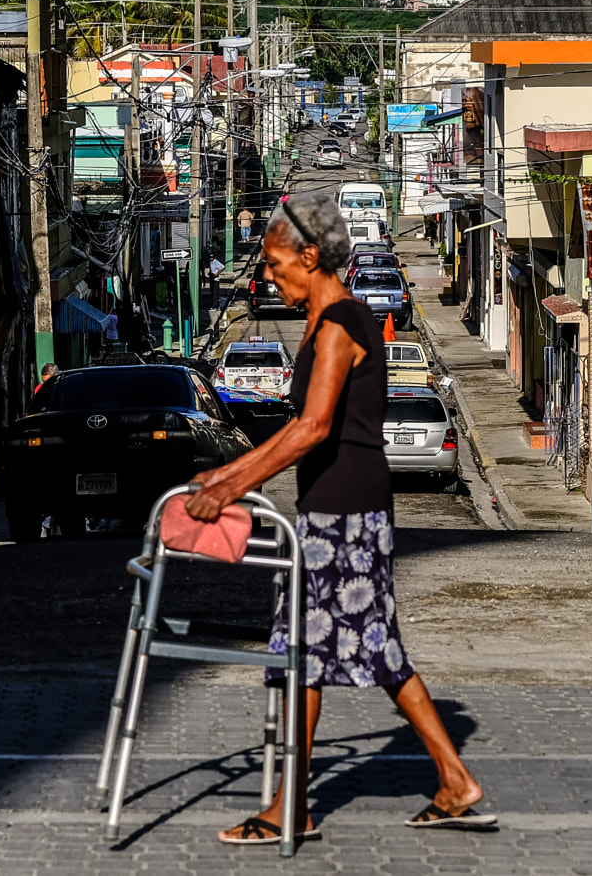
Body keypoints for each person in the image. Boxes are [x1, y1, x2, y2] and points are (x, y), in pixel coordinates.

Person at [186, 192, 490, 846]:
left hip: (344, 511)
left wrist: (234, 482)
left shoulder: (338, 327)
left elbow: (313, 427)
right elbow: (303, 428)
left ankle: (291, 804)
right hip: (347, 506)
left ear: (310, 255)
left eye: (274, 263)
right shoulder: (335, 321)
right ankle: (452, 778)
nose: (268, 277)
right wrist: (227, 474)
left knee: (308, 654)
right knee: (369, 651)